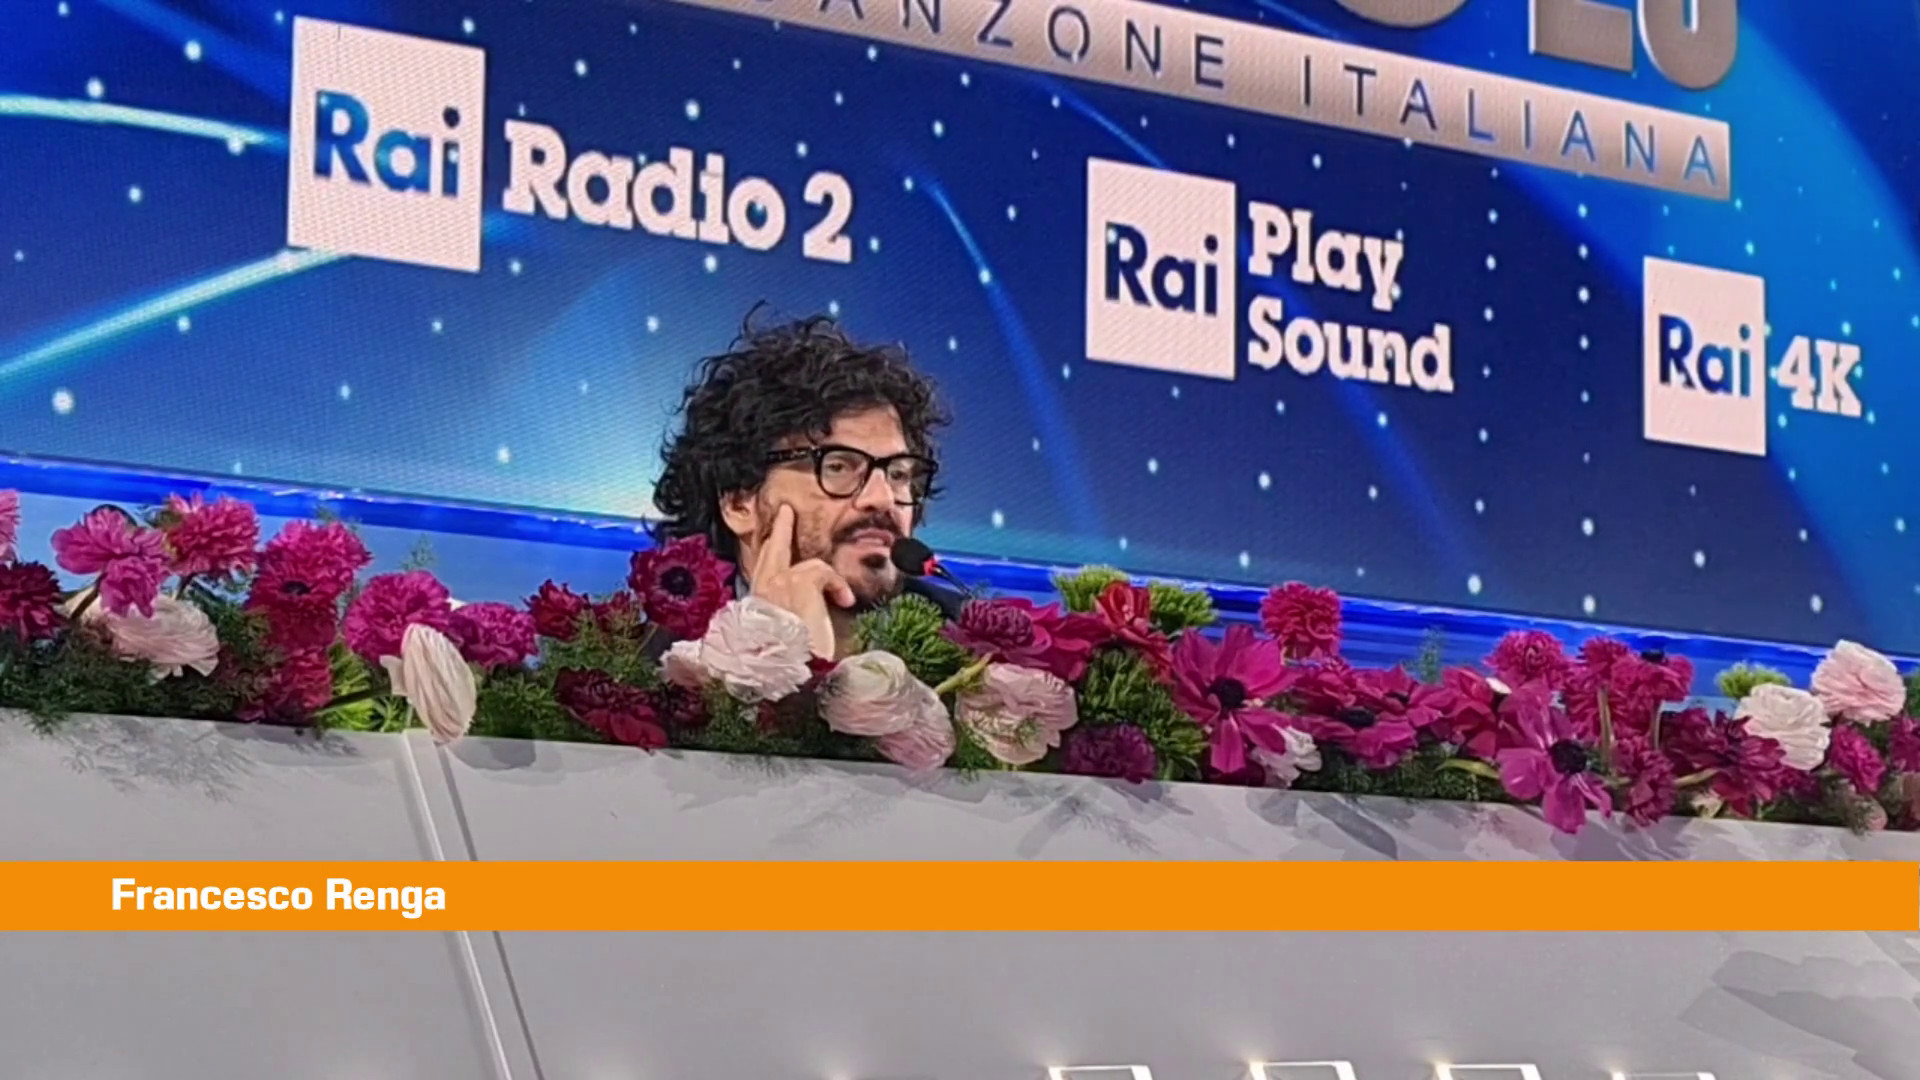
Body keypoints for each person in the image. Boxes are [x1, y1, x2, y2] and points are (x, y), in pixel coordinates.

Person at [650, 312, 960, 659]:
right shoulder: (640, 669)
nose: (883, 497)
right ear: (739, 503)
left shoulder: (979, 654)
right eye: (838, 466)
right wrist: (784, 663)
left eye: (898, 474)